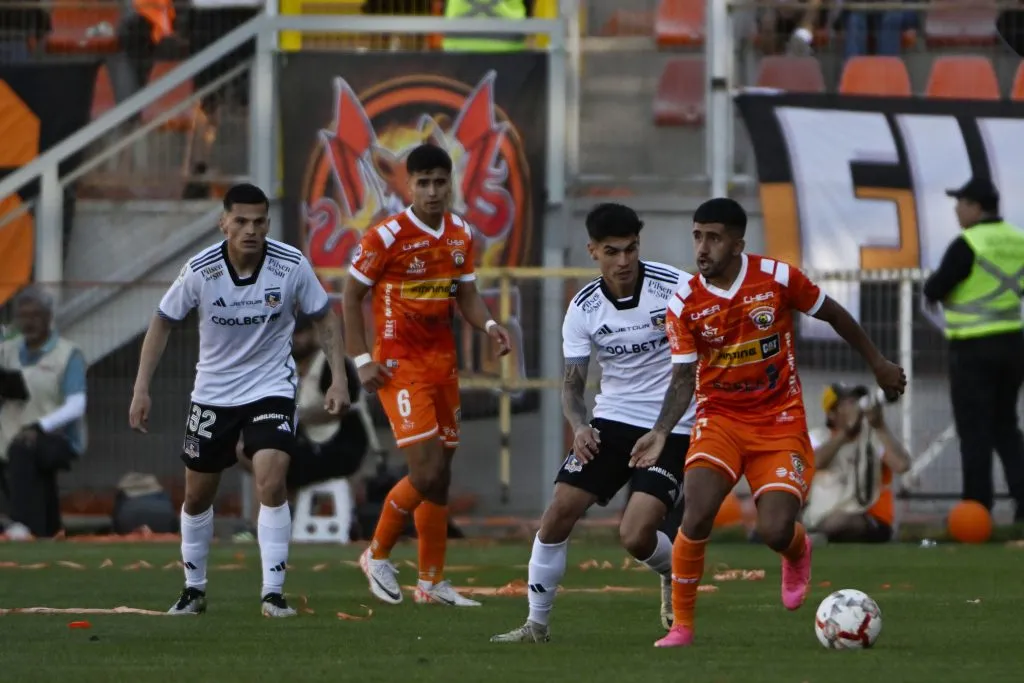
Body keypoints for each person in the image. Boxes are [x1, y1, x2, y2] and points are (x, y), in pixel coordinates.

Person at [629, 197, 906, 648]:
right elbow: (683, 377)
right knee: (696, 514)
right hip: (718, 420)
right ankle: (682, 626)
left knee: (776, 528)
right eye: (697, 236)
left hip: (779, 423)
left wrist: (878, 365)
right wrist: (661, 430)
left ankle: (797, 551)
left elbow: (832, 312)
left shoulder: (776, 279)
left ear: (738, 243)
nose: (703, 247)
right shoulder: (684, 302)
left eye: (714, 237)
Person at [129, 183, 350, 617]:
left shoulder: (290, 265)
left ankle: (273, 594)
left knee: (272, 478)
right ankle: (194, 590)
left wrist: (338, 378)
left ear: (268, 223)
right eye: (241, 221)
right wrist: (140, 387)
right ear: (223, 223)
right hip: (213, 394)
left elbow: (324, 316)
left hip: (270, 386)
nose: (251, 230)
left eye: (259, 222)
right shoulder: (200, 270)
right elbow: (162, 322)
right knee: (197, 496)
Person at [490, 203, 696, 644]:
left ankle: (670, 570)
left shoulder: (677, 288)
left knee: (636, 535)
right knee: (559, 510)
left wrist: (661, 431)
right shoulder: (583, 308)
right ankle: (536, 625)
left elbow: (686, 374)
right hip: (612, 420)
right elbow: (571, 385)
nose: (624, 261)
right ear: (593, 252)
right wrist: (580, 426)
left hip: (673, 424)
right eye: (612, 251)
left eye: (631, 250)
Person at [343, 144, 511, 607]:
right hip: (399, 367)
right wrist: (360, 360)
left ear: (450, 182)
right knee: (427, 469)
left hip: (443, 366)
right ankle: (376, 553)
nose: (433, 191)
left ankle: (431, 584)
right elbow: (350, 295)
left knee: (440, 478)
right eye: (423, 182)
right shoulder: (386, 236)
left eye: (440, 182)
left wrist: (492, 325)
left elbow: (468, 296)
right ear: (408, 185)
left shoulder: (460, 233)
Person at [923, 177, 1024, 520]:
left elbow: (935, 288)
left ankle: (977, 509)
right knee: (1006, 427)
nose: (956, 209)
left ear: (976, 208)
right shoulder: (1019, 240)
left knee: (975, 430)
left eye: (960, 203)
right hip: (1013, 344)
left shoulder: (968, 242)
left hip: (973, 347)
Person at [235, 313, 367, 507]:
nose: (295, 339)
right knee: (249, 450)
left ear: (312, 333)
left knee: (269, 459)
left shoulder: (331, 364)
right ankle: (279, 514)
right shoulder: (285, 368)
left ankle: (271, 518)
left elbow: (343, 408)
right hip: (303, 443)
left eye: (299, 333)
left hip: (338, 446)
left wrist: (301, 416)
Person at [0, 286, 87, 539]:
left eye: (36, 315)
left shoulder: (68, 354)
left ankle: (26, 527)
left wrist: (39, 427)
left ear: (49, 316)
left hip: (56, 439)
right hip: (9, 434)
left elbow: (76, 405)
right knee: (19, 448)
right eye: (23, 316)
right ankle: (45, 528)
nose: (29, 322)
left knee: (23, 449)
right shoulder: (7, 351)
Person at [803, 384, 910, 544]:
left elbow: (902, 465)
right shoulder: (818, 438)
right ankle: (815, 535)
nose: (857, 407)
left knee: (839, 522)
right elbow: (816, 462)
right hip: (823, 514)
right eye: (849, 403)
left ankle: (816, 536)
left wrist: (880, 426)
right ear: (832, 414)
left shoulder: (873, 439)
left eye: (857, 401)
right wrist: (845, 434)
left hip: (870, 518)